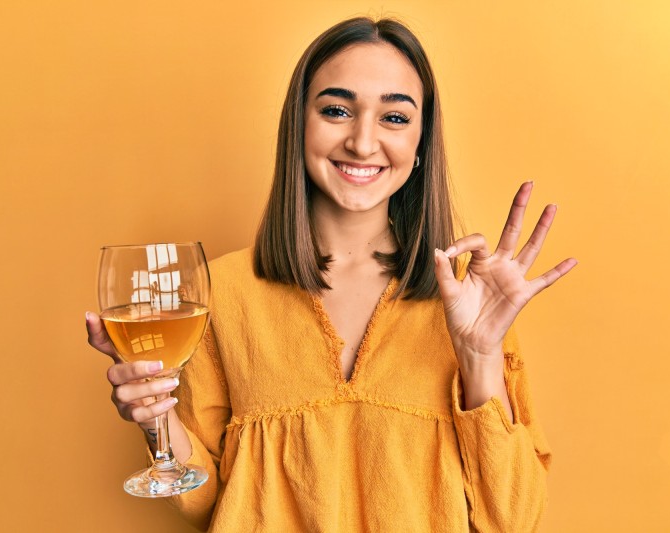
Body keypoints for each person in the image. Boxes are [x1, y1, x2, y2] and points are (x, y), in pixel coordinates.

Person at [86, 16, 575, 532]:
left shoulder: (469, 298)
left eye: (394, 117)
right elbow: (207, 501)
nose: (362, 143)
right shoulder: (220, 292)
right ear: (299, 124)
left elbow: (511, 519)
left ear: (421, 143)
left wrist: (479, 355)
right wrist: (155, 418)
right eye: (337, 110)